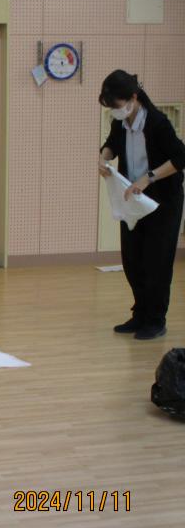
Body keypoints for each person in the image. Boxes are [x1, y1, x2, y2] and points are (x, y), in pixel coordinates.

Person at [99, 70, 185, 340]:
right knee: (132, 259)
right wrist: (103, 158)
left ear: (133, 98)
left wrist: (148, 178)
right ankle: (140, 313)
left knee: (157, 261)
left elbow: (180, 157)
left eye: (117, 105)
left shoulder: (157, 123)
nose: (116, 111)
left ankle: (155, 319)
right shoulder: (120, 123)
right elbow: (111, 145)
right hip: (133, 200)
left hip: (162, 201)